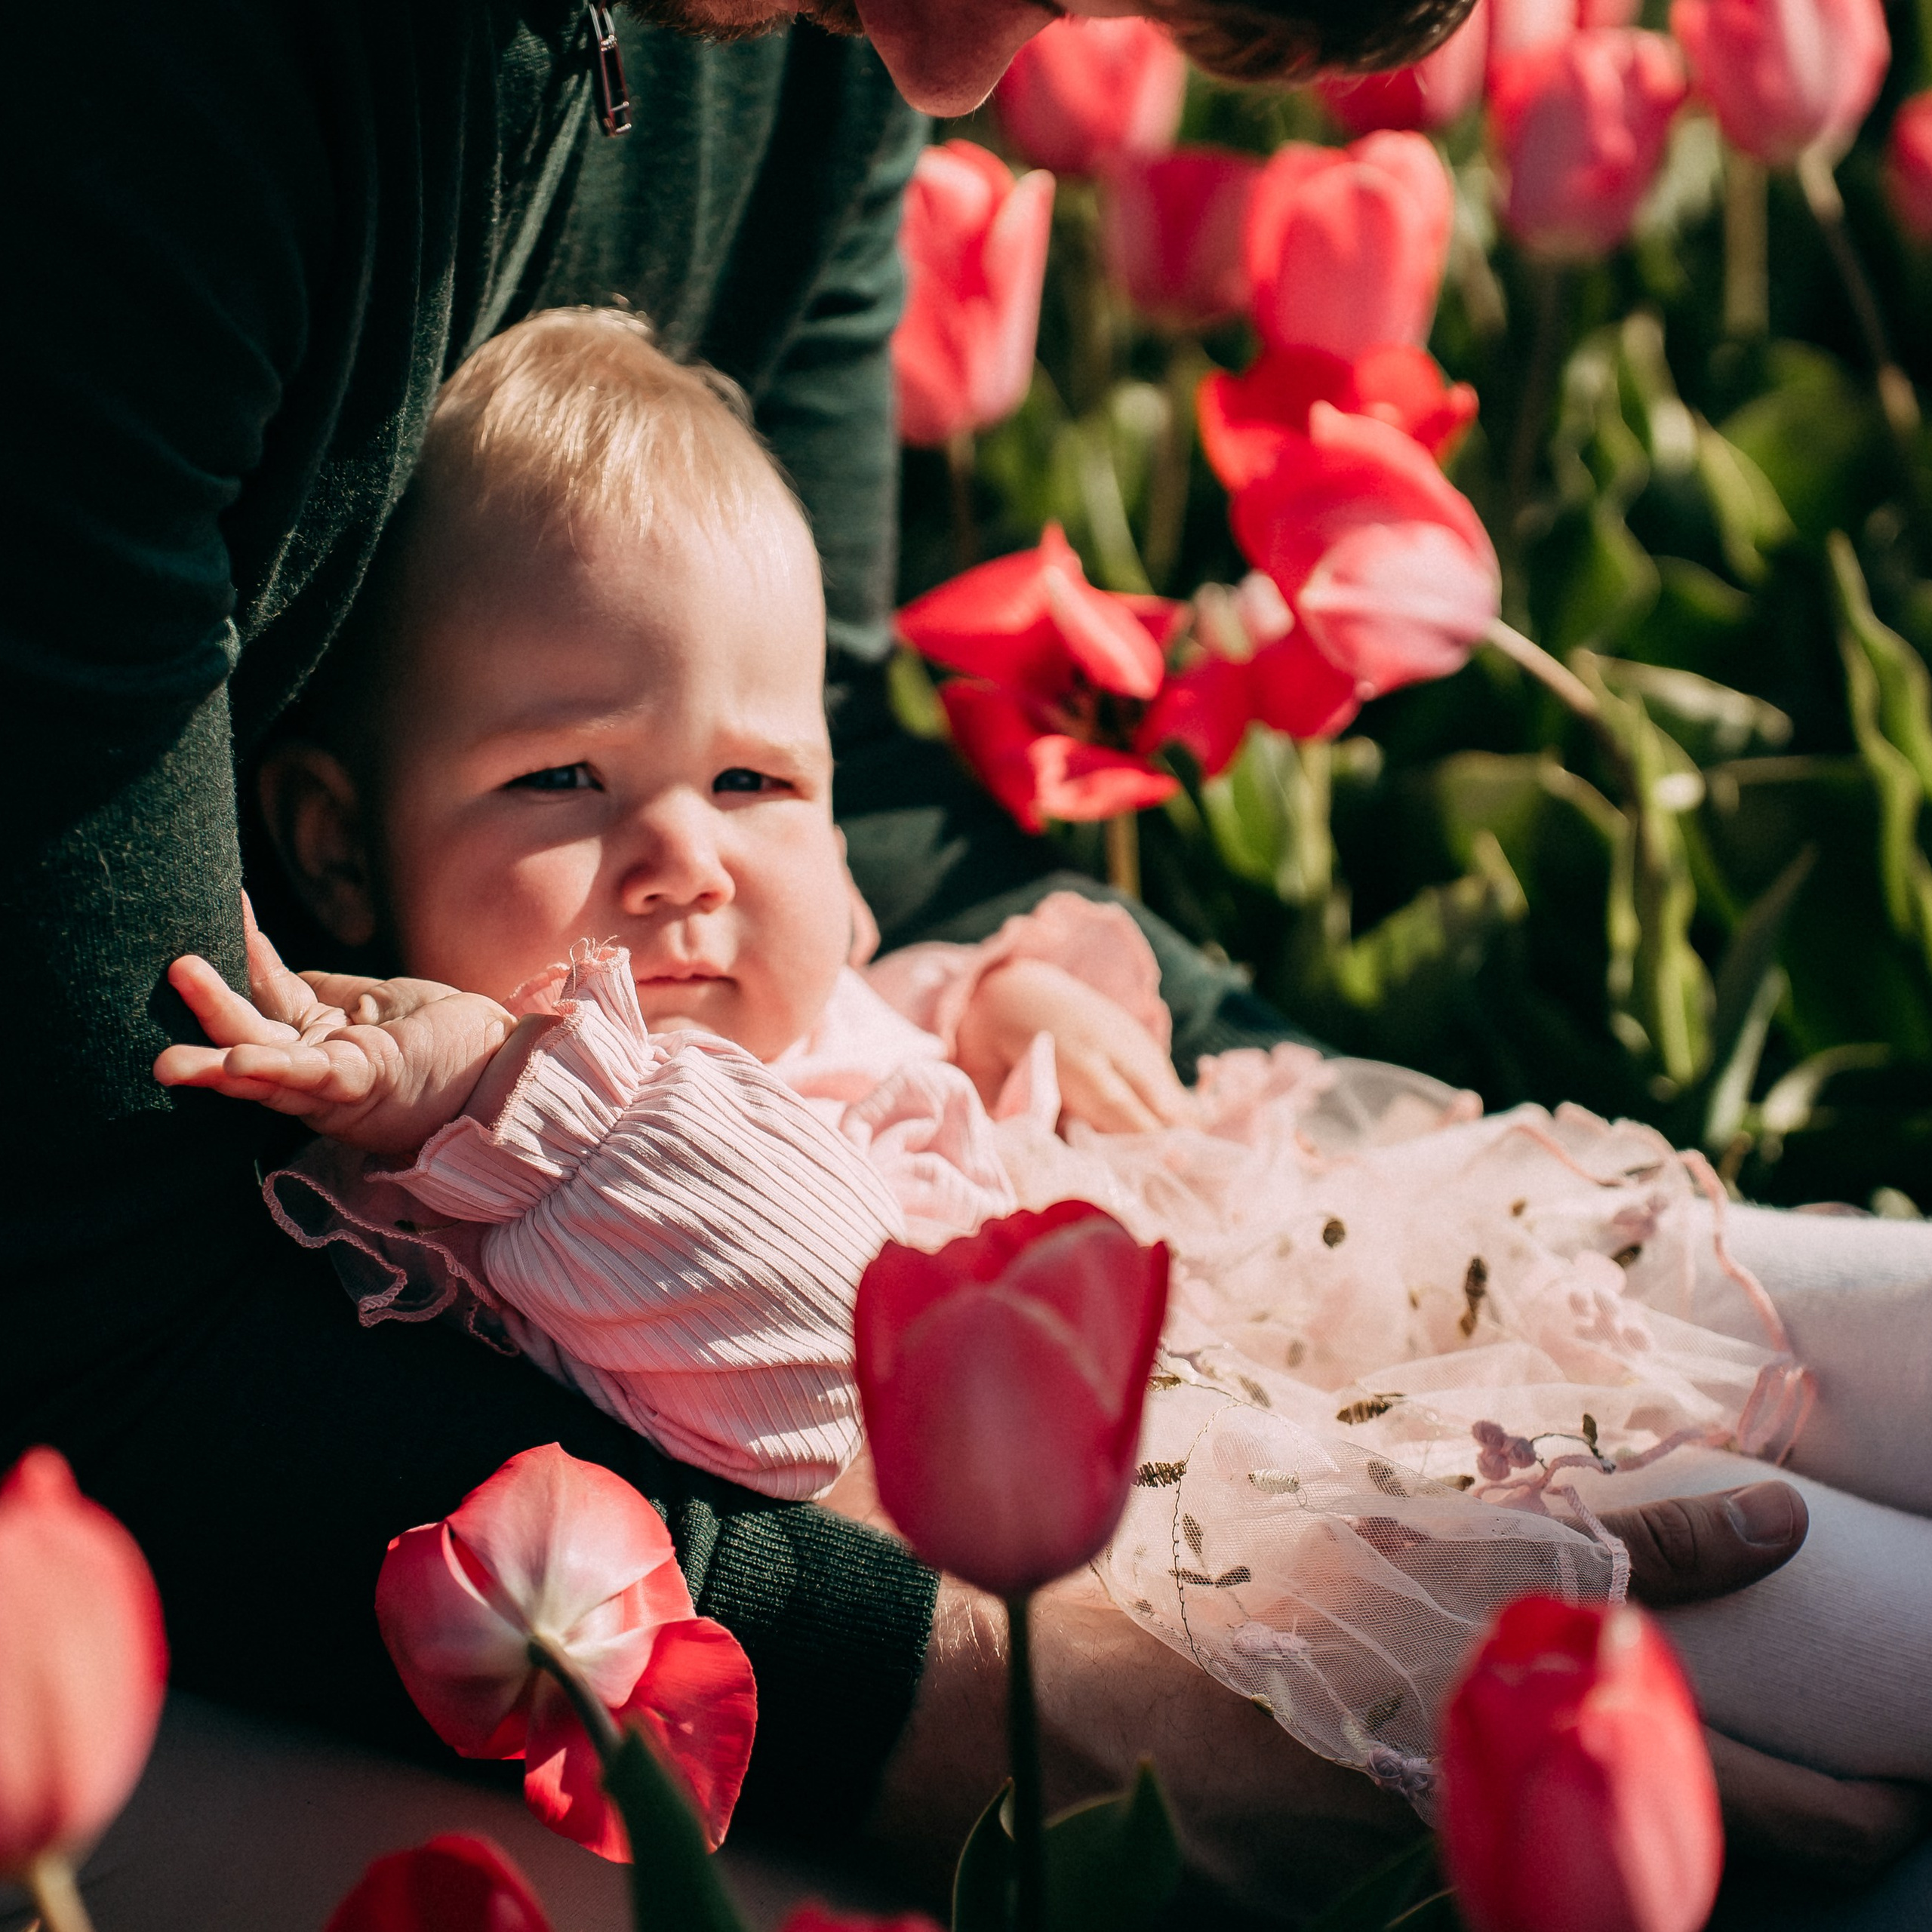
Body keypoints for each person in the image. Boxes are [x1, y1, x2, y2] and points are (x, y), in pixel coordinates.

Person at [1, 0, 1918, 1906]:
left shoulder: (833, 55)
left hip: (1084, 1323)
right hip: (297, 1493)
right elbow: (104, 1277)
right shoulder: (134, 90)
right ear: (334, 840)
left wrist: (1185, 1086)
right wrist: (1065, 1714)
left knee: (1737, 1361)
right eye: (565, 778)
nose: (948, 84)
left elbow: (834, 782)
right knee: (1731, 1634)